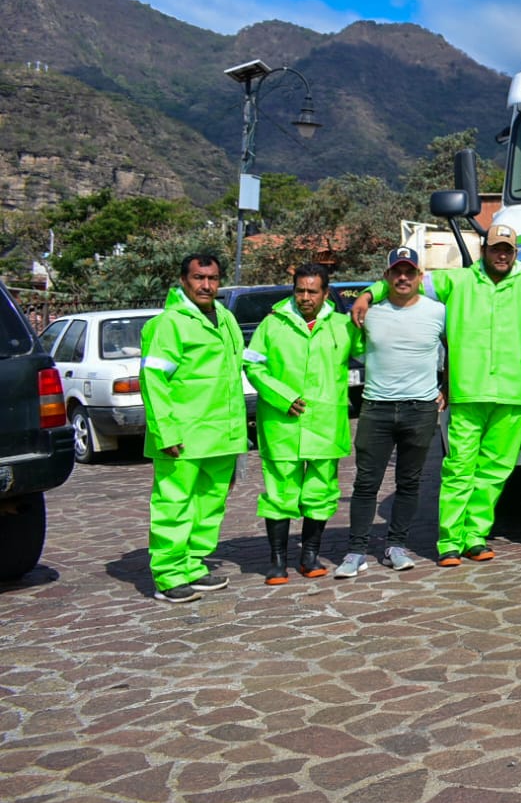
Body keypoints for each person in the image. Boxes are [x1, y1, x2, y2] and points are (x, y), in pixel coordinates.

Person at [352, 223, 521, 566]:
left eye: (507, 249)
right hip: (468, 391)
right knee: (459, 468)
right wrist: (369, 293)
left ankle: (475, 536)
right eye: (495, 248)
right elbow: (406, 279)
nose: (502, 255)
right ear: (484, 251)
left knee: (495, 471)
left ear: (515, 252)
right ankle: (450, 540)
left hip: (514, 392)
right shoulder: (456, 281)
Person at [139, 253, 247, 603]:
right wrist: (165, 432)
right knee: (174, 504)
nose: (206, 285)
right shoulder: (169, 323)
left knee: (209, 505)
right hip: (182, 436)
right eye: (199, 278)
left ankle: (192, 564)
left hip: (220, 435)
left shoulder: (226, 318)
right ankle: (169, 574)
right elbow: (153, 379)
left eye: (213, 278)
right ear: (184, 280)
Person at [245, 263, 358, 582]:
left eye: (312, 291)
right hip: (282, 425)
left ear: (325, 293)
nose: (306, 297)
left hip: (325, 424)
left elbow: (371, 351)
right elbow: (253, 367)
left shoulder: (343, 326)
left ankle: (309, 556)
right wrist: (281, 397)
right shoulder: (272, 325)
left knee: (320, 493)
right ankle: (277, 560)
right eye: (300, 290)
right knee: (279, 494)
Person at [342, 246, 445, 577]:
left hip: (421, 409)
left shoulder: (438, 312)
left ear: (420, 277)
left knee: (410, 481)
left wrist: (448, 389)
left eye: (410, 272)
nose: (403, 277)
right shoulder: (368, 314)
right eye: (397, 272)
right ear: (385, 277)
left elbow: (456, 349)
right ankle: (356, 551)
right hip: (377, 409)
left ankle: (395, 546)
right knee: (366, 482)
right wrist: (365, 297)